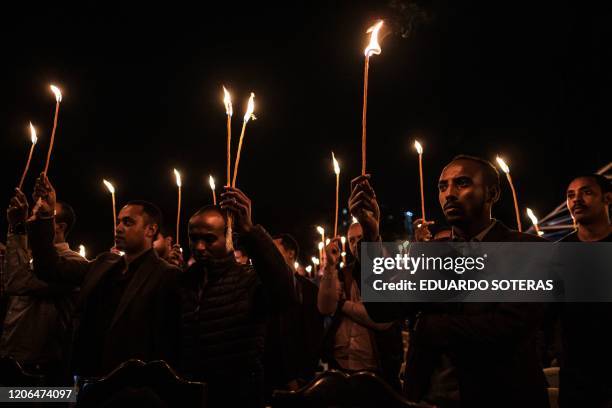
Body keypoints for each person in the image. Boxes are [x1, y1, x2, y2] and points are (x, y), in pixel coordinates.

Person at [352, 155, 549, 407]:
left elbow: (508, 326)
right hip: (431, 399)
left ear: (492, 193)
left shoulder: (528, 250)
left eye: (462, 183)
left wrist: (432, 326)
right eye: (442, 187)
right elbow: (382, 308)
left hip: (502, 395)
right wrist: (370, 232)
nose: (449, 194)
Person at [27, 174, 181, 377]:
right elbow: (49, 268)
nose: (118, 228)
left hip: (128, 384)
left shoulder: (166, 275)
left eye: (128, 222)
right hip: (84, 374)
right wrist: (46, 217)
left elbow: (167, 341)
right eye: (118, 222)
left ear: (150, 230)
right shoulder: (103, 264)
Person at [178, 188, 294, 408]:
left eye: (209, 239)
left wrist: (250, 231)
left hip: (239, 396)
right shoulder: (184, 282)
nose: (200, 247)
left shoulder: (249, 280)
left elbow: (287, 294)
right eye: (194, 239)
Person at [1, 188, 83, 385]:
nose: (32, 219)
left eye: (43, 215)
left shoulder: (74, 263)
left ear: (59, 227)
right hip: (12, 361)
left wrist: (18, 228)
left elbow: (17, 282)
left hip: (44, 370)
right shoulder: (26, 257)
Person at [318, 222, 404, 389]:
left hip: (376, 369)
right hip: (341, 367)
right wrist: (329, 266)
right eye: (351, 240)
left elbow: (381, 320)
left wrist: (342, 304)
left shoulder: (391, 271)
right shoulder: (344, 273)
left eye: (360, 238)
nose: (356, 243)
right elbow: (325, 308)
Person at [558, 174, 612, 407]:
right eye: (570, 195)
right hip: (577, 374)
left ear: (607, 198)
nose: (576, 200)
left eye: (586, 192)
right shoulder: (559, 253)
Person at [264, 233, 323, 395]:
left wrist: (302, 376)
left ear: (290, 253)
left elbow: (313, 335)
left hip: (296, 379)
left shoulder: (309, 290)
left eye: (274, 248)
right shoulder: (263, 286)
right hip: (265, 374)